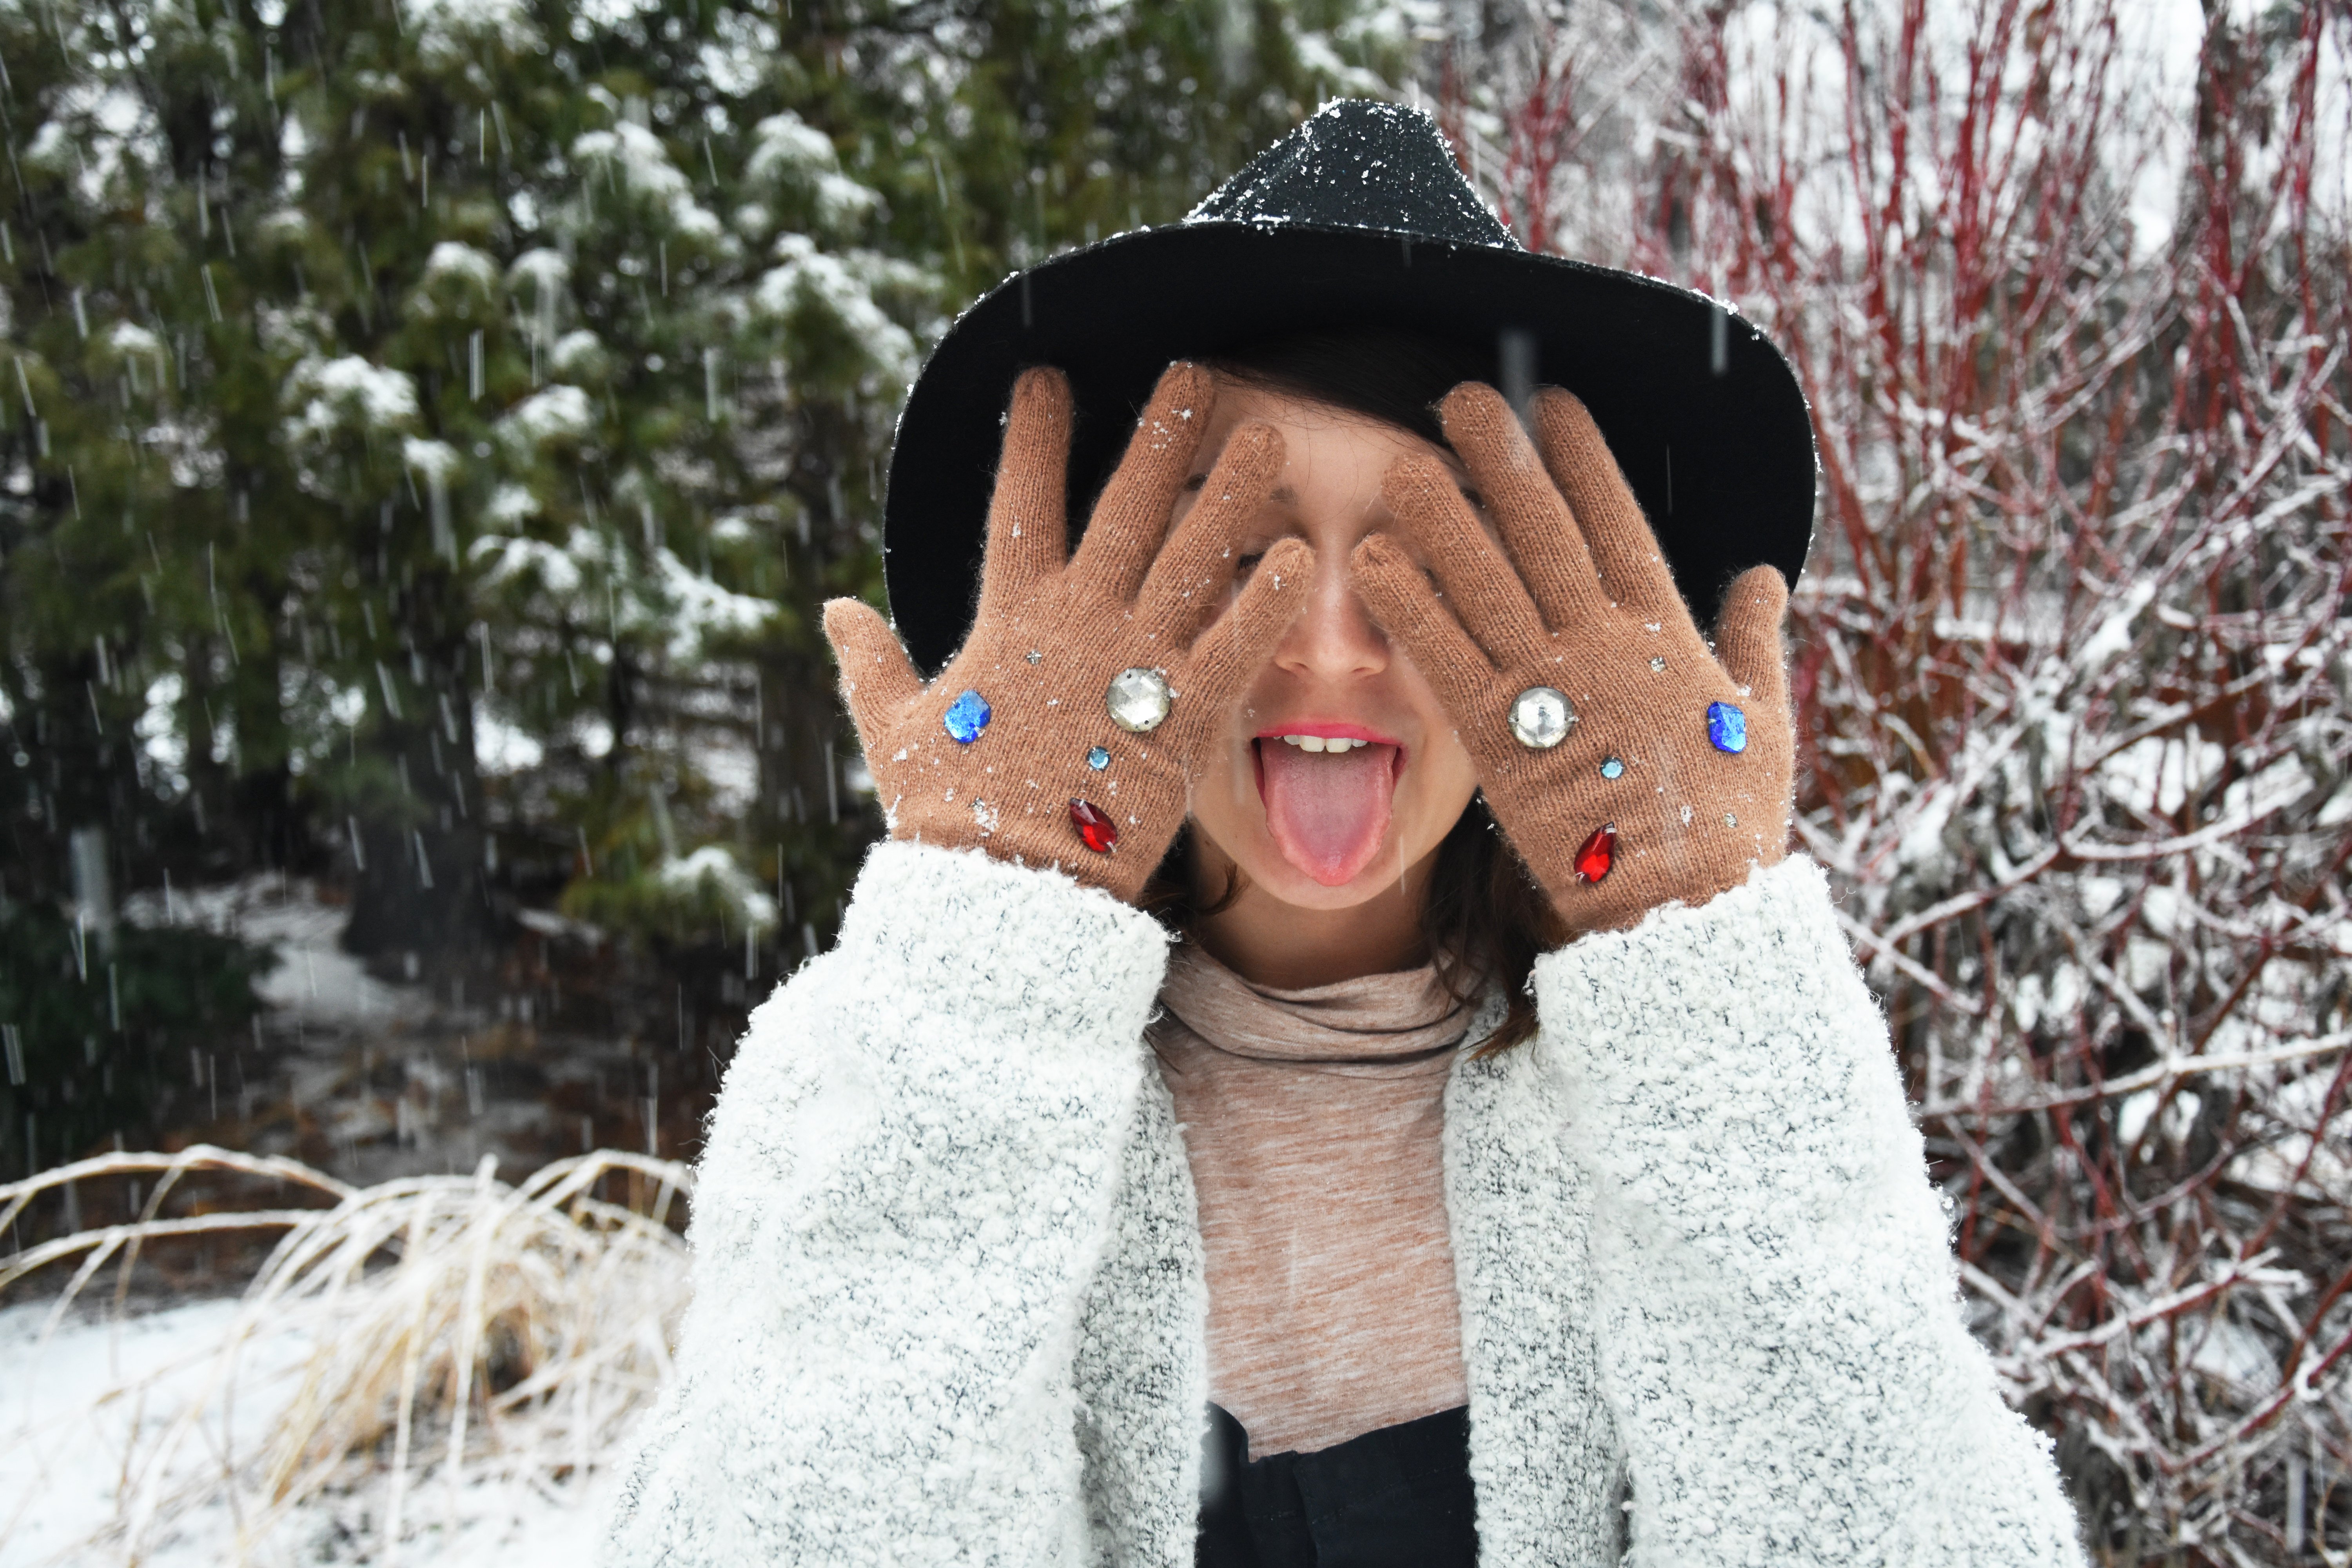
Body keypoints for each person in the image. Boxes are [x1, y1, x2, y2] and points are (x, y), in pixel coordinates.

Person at [601, 102, 2086, 1566]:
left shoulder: (1678, 1091)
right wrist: (993, 947)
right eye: (1234, 551)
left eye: (1427, 559)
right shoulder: (876, 1058)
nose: (1327, 648)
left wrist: (1700, 960)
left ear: (1565, 616)